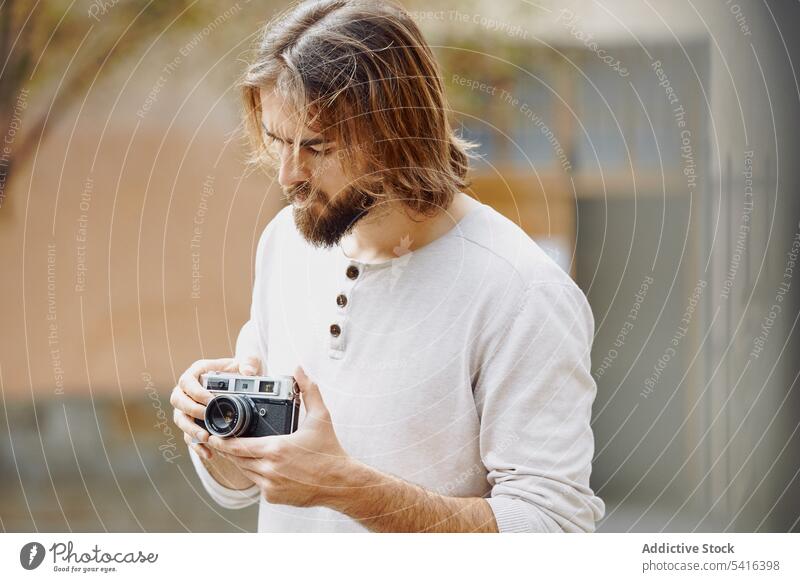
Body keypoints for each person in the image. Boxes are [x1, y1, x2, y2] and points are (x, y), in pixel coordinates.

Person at [170, 0, 605, 532]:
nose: (287, 176)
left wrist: (346, 488)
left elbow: (552, 528)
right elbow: (248, 483)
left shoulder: (522, 292)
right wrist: (212, 428)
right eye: (278, 141)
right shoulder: (284, 241)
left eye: (316, 147)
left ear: (397, 134)